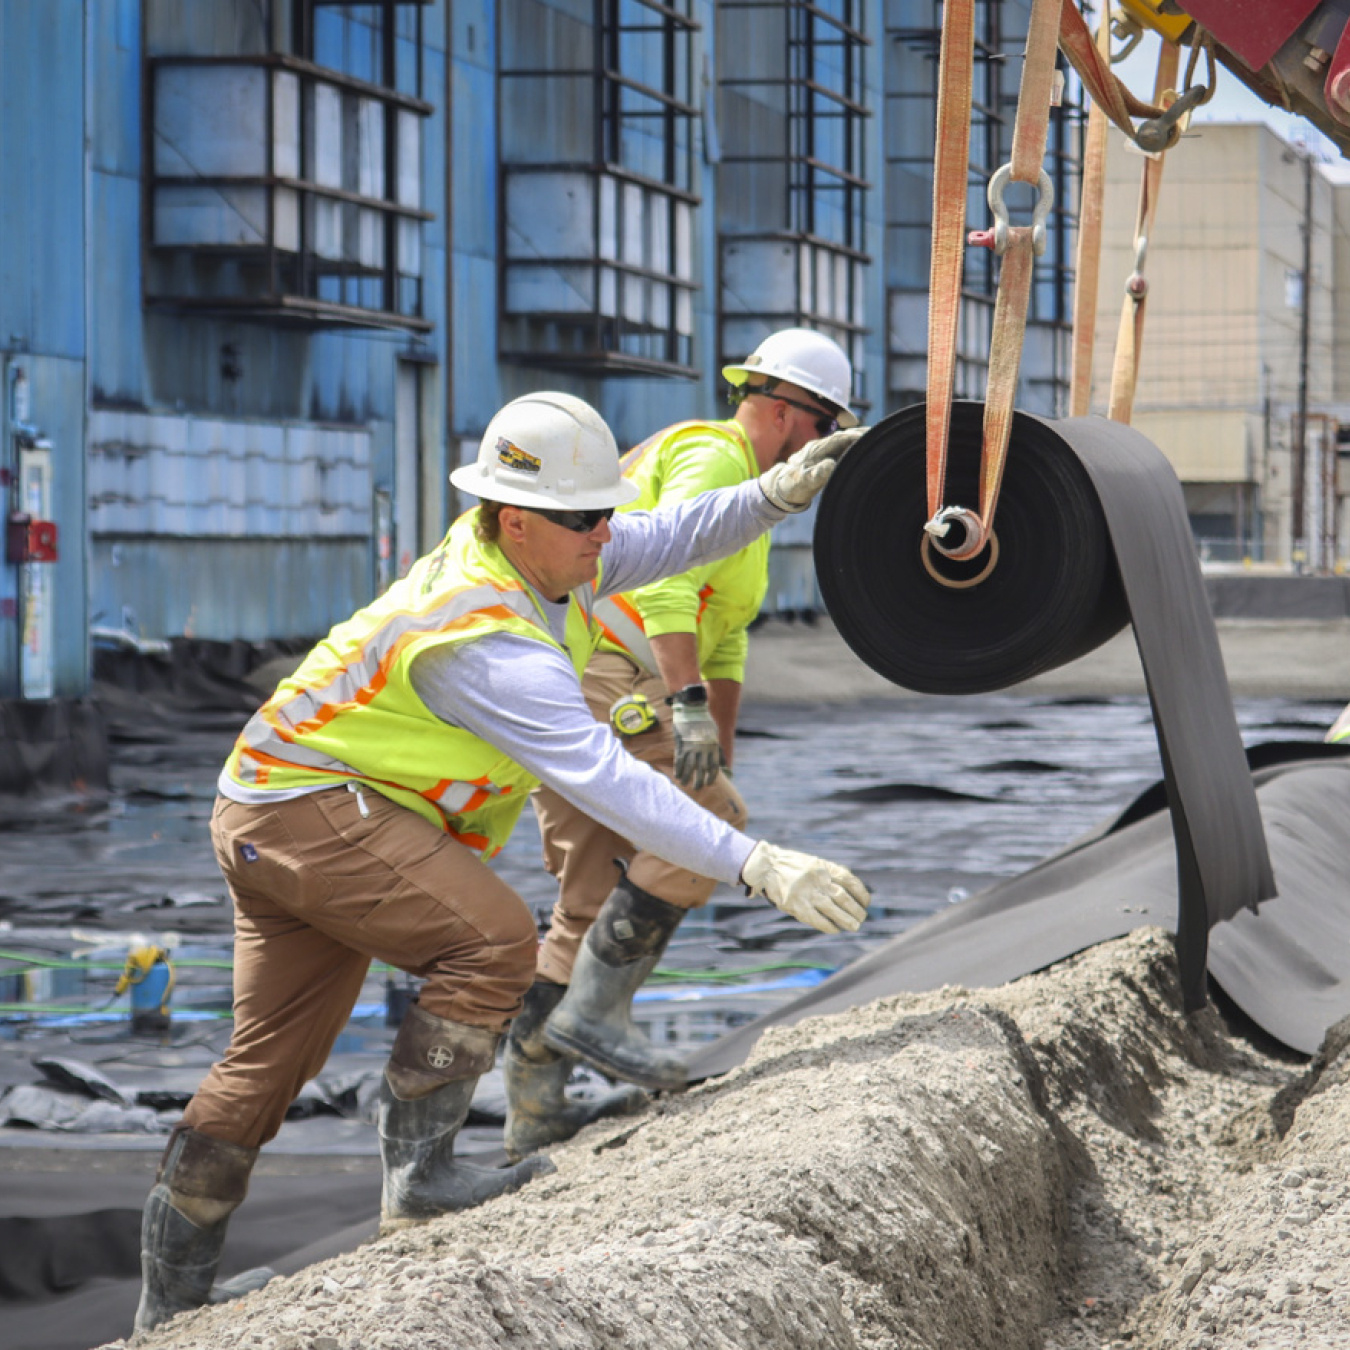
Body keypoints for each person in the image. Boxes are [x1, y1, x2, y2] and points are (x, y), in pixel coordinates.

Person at [134, 389, 871, 1333]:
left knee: (268, 1057)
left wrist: (773, 495)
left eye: (606, 509)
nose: (606, 531)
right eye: (584, 517)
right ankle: (423, 1175)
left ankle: (173, 1301)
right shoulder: (488, 642)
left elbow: (667, 533)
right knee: (489, 943)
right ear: (518, 518)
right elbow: (611, 781)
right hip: (308, 812)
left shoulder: (536, 555)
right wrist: (759, 862)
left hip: (266, 802)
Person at [504, 330, 859, 1162]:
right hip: (612, 681)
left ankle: (533, 1111)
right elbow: (665, 577)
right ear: (784, 413)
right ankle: (593, 1017)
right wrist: (689, 709)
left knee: (587, 895)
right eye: (821, 432)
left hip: (614, 683)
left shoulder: (747, 498)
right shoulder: (717, 457)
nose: (820, 454)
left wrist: (715, 742)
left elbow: (724, 635)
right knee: (707, 839)